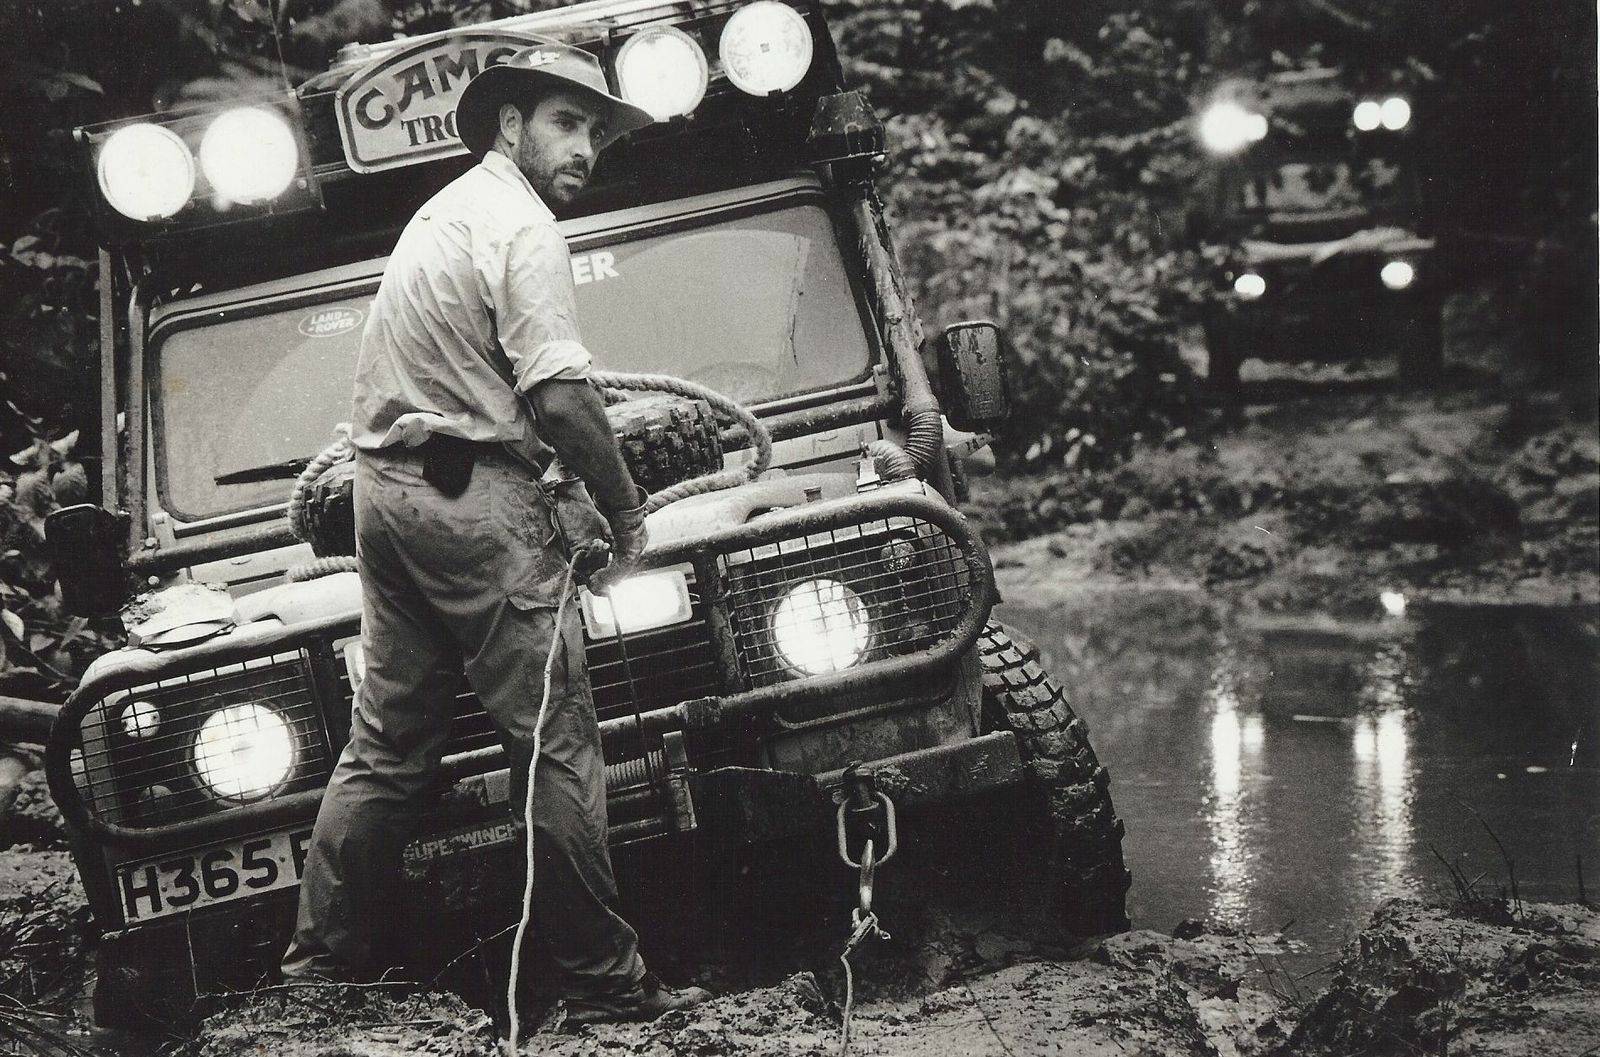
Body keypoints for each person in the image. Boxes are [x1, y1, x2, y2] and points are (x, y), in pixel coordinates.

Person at [280, 41, 711, 1025]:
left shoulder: (445, 214)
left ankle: (319, 969)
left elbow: (488, 388)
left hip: (385, 497)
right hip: (472, 507)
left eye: (598, 132)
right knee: (557, 746)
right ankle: (603, 982)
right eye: (568, 122)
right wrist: (624, 510)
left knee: (387, 747)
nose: (587, 148)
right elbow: (559, 395)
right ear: (510, 124)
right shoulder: (521, 228)